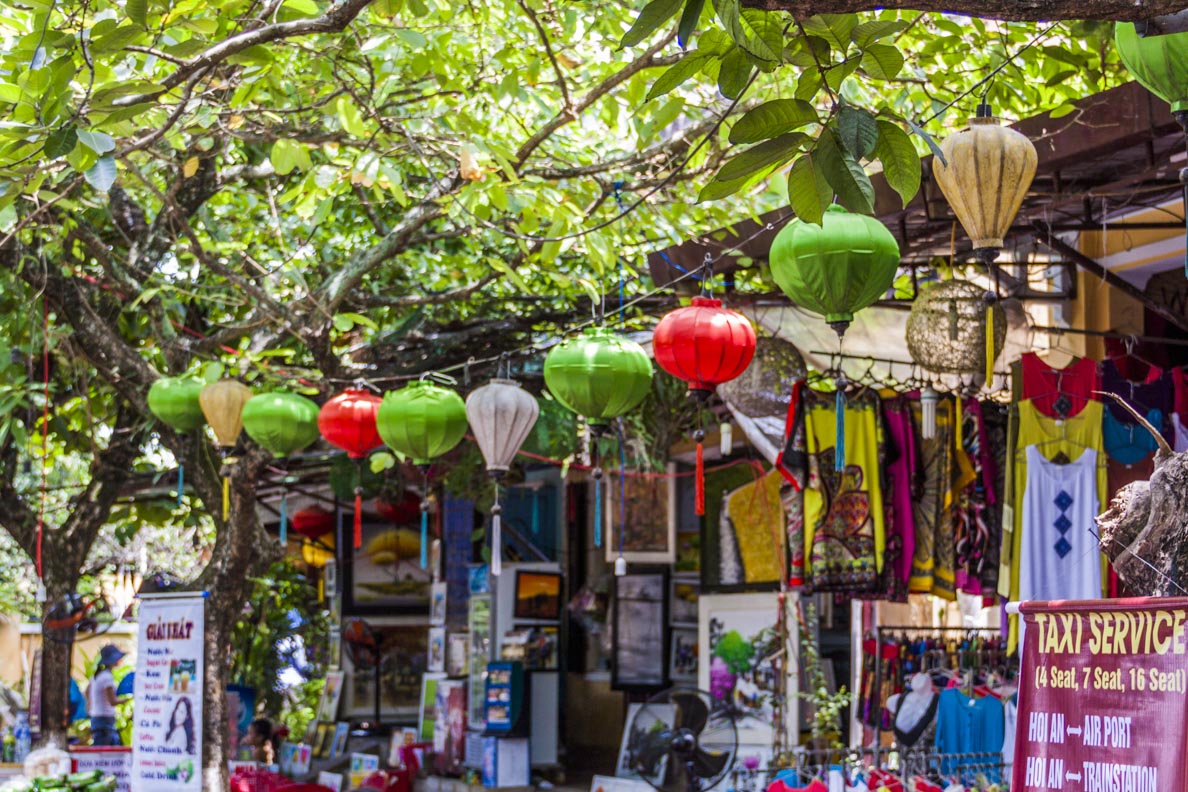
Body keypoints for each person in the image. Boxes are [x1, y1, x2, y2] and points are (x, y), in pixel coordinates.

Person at [86, 645, 124, 746]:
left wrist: (91, 707)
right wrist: (128, 699)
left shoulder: (97, 676)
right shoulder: (107, 677)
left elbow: (87, 692)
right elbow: (112, 701)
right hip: (105, 718)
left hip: (96, 717)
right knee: (104, 749)